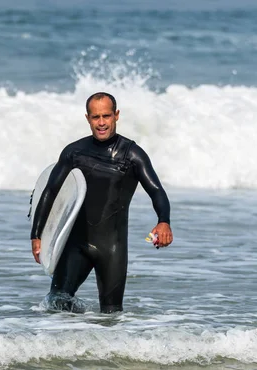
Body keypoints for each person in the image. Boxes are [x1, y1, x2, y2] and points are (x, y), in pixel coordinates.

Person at [30, 92, 173, 313]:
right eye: (95, 117)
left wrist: (163, 221)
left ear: (116, 115)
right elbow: (50, 191)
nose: (101, 122)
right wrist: (37, 235)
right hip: (77, 244)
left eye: (106, 115)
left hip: (112, 248)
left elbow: (157, 191)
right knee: (56, 302)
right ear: (87, 118)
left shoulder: (132, 155)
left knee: (111, 314)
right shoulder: (74, 152)